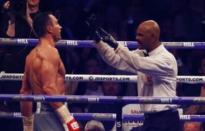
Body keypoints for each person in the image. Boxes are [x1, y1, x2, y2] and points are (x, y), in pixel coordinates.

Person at [92, 20, 180, 131]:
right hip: (150, 120)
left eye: (141, 35)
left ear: (153, 37)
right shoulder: (141, 54)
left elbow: (139, 64)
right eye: (137, 34)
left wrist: (115, 44)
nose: (137, 38)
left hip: (165, 120)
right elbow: (115, 60)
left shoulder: (166, 59)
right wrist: (98, 41)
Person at [20, 12, 80, 131]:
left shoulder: (30, 56)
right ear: (49, 28)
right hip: (51, 112)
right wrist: (69, 120)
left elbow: (25, 92)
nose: (60, 26)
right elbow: (49, 88)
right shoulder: (50, 52)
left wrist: (27, 125)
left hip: (41, 113)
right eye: (57, 23)